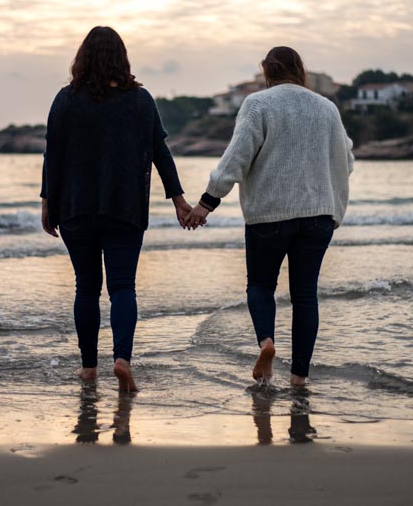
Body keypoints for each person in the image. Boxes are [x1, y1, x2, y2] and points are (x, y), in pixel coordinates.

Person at [185, 46, 354, 387]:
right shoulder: (327, 108)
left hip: (269, 216)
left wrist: (206, 203)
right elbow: (347, 160)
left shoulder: (259, 104)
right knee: (305, 295)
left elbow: (237, 157)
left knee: (261, 285)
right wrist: (327, 197)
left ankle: (266, 342)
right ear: (300, 70)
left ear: (268, 72)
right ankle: (299, 379)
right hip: (319, 215)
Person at [41, 26, 192, 392]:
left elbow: (53, 155)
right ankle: (122, 359)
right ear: (122, 58)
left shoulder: (66, 99)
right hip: (124, 208)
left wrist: (47, 202)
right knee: (123, 287)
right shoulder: (140, 100)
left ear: (82, 57)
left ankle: (89, 368)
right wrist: (179, 200)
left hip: (76, 208)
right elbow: (161, 153)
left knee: (86, 288)